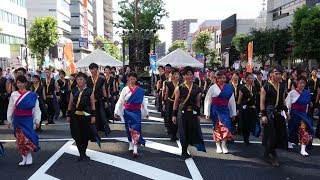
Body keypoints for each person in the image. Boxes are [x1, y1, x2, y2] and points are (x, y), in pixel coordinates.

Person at [6, 75, 41, 166]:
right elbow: (11, 107)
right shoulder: (14, 94)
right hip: (17, 119)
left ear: (25, 83)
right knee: (20, 140)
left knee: (27, 138)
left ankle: (28, 155)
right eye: (18, 83)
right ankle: (23, 157)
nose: (20, 85)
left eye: (22, 83)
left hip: (28, 119)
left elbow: (36, 109)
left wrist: (37, 120)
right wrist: (9, 120)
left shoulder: (32, 95)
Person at [172, 66, 206, 158]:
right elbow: (176, 101)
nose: (190, 76)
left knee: (191, 130)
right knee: (183, 131)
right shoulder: (179, 88)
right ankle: (183, 151)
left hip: (192, 113)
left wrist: (198, 114)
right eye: (188, 74)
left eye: (191, 74)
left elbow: (198, 102)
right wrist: (174, 115)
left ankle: (187, 147)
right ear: (184, 76)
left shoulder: (197, 88)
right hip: (182, 112)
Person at [114, 72, 149, 157]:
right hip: (127, 112)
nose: (132, 80)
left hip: (136, 112)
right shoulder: (125, 89)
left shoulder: (140, 90)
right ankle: (130, 142)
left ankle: (135, 149)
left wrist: (146, 112)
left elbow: (143, 102)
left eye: (133, 78)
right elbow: (120, 101)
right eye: (130, 78)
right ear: (128, 79)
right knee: (128, 128)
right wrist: (116, 111)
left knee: (136, 129)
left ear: (136, 79)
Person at [260, 67, 289, 167]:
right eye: (276, 73)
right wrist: (263, 115)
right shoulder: (266, 86)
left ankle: (268, 153)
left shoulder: (282, 85)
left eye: (279, 74)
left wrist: (286, 111)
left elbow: (283, 99)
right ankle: (271, 155)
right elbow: (262, 102)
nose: (278, 75)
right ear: (271, 75)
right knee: (271, 135)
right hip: (269, 112)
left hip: (279, 112)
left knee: (279, 135)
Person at [204, 70, 236, 154]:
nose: (222, 79)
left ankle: (224, 145)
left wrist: (233, 113)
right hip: (215, 110)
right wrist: (207, 112)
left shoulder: (229, 88)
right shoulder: (213, 87)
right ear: (217, 79)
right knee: (217, 128)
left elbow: (232, 101)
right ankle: (218, 145)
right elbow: (208, 100)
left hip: (225, 110)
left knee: (226, 127)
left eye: (224, 77)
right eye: (220, 78)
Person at [67, 72, 96, 161]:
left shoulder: (89, 91)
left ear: (85, 81)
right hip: (74, 115)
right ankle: (81, 154)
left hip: (86, 115)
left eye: (81, 79)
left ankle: (84, 152)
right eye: (77, 79)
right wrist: (68, 115)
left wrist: (93, 116)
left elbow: (93, 105)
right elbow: (70, 103)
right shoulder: (73, 90)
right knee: (76, 135)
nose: (79, 81)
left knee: (85, 135)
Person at [286, 76, 314, 156]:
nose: (302, 85)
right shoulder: (292, 93)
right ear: (297, 83)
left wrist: (310, 104)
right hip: (294, 114)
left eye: (304, 83)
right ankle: (289, 142)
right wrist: (287, 114)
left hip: (303, 115)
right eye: (300, 83)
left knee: (304, 130)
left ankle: (303, 149)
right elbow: (287, 104)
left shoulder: (307, 93)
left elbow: (308, 104)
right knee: (293, 130)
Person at [86, 63, 111, 136]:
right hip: (90, 101)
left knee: (102, 115)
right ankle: (92, 130)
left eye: (94, 69)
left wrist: (106, 101)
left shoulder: (101, 79)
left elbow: (104, 91)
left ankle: (106, 130)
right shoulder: (88, 79)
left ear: (97, 69)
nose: (92, 70)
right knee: (91, 116)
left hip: (99, 100)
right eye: (91, 69)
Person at [237, 72, 261, 145]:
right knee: (245, 124)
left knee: (253, 122)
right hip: (245, 108)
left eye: (252, 78)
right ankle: (245, 139)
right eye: (250, 78)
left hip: (252, 108)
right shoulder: (242, 88)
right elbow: (239, 100)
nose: (252, 79)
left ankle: (254, 133)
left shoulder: (254, 88)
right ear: (246, 79)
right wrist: (238, 109)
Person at [163, 68, 180, 141]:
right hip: (169, 102)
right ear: (172, 75)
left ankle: (174, 134)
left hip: (178, 102)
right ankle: (170, 132)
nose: (176, 75)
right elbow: (166, 94)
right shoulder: (168, 83)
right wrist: (164, 102)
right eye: (175, 74)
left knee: (176, 118)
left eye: (178, 74)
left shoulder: (181, 83)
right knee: (169, 117)